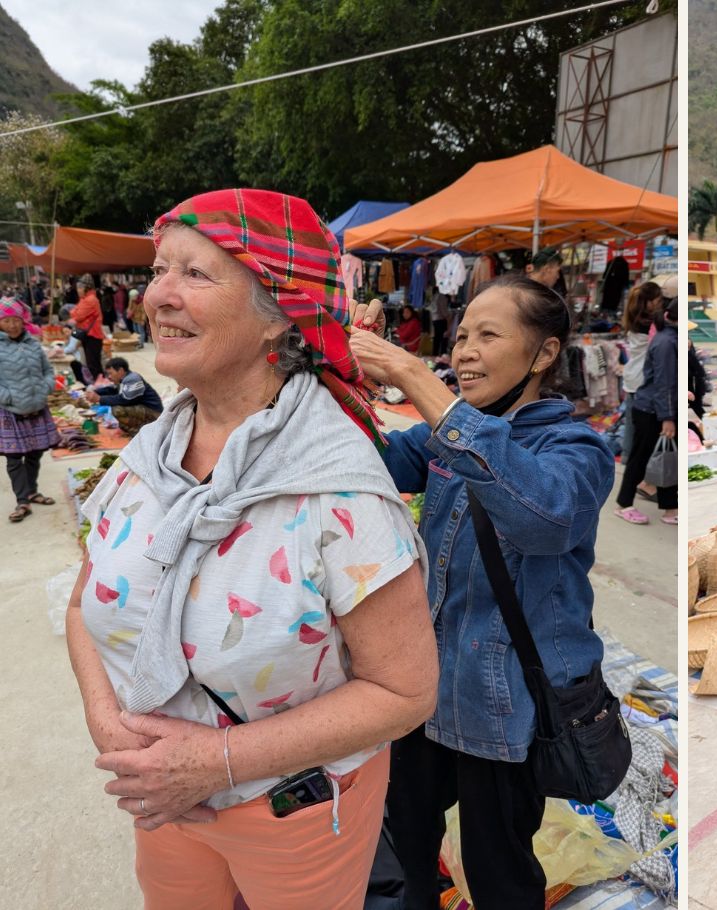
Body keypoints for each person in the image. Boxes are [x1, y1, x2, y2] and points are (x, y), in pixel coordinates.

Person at [65, 188, 438, 910]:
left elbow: (405, 691)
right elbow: (85, 600)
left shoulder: (340, 493)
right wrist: (107, 720)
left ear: (279, 315)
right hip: (163, 798)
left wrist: (215, 761)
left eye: (196, 275)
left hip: (289, 813)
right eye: (160, 270)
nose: (158, 297)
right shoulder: (150, 454)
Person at [349, 273, 616, 909]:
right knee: (405, 842)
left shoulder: (577, 447)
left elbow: (545, 516)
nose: (465, 349)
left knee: (497, 868)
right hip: (426, 685)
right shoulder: (442, 440)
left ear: (544, 354)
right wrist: (342, 378)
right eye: (461, 334)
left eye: (488, 335)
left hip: (507, 704)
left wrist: (416, 378)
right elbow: (366, 462)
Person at [615, 297, 678, 526]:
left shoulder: (669, 339)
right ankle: (624, 504)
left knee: (669, 458)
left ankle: (670, 508)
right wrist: (667, 418)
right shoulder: (666, 343)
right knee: (640, 459)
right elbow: (664, 383)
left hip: (657, 408)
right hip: (651, 409)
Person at [0, 298, 59, 522]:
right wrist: (8, 397)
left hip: (37, 406)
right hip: (10, 411)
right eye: (7, 321)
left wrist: (47, 386)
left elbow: (47, 369)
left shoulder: (33, 343)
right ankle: (22, 501)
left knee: (35, 453)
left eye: (16, 320)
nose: (13, 325)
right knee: (15, 458)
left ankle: (32, 491)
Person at [620, 280, 663, 486]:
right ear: (650, 302)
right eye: (658, 299)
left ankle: (629, 465)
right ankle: (638, 477)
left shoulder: (633, 318)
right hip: (642, 382)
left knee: (631, 427)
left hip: (631, 379)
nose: (661, 303)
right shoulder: (652, 324)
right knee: (643, 434)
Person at [83, 355, 164, 437]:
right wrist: (94, 392)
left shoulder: (133, 379)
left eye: (111, 373)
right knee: (115, 406)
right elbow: (112, 390)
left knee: (117, 410)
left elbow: (125, 399)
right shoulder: (124, 380)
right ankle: (137, 430)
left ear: (121, 371)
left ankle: (138, 433)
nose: (109, 377)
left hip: (154, 413)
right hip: (144, 409)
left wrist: (99, 399)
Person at [69, 273, 105, 384]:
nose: (78, 290)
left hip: (93, 336)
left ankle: (101, 385)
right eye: (78, 288)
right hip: (89, 335)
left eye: (80, 288)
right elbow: (75, 313)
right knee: (92, 363)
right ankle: (99, 384)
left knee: (93, 364)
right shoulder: (85, 299)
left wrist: (75, 313)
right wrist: (75, 313)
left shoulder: (90, 300)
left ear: (87, 288)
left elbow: (77, 315)